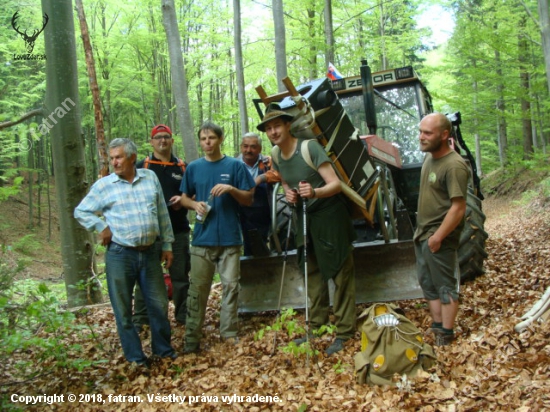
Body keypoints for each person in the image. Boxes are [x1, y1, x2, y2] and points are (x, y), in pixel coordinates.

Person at [257, 110, 356, 356]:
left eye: (277, 126)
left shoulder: (309, 148)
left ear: (288, 125)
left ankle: (345, 331)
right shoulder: (276, 154)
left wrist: (314, 192)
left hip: (330, 215)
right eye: (268, 129)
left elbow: (334, 184)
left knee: (340, 272)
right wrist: (289, 193)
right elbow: (285, 181)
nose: (273, 132)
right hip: (303, 216)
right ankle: (317, 326)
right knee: (311, 270)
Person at [74, 138, 177, 365]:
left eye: (118, 157)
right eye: (112, 158)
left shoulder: (150, 178)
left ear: (132, 157)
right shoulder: (104, 186)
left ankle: (163, 351)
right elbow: (81, 212)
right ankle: (136, 358)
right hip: (120, 255)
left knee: (159, 305)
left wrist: (167, 245)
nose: (115, 163)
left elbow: (162, 214)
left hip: (150, 252)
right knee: (123, 309)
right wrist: (102, 227)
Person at [179, 121, 255, 354]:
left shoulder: (235, 166)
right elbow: (183, 198)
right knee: (198, 290)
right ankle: (192, 338)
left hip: (230, 239)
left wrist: (231, 189)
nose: (207, 143)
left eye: (211, 138)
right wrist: (195, 204)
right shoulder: (193, 167)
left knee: (231, 288)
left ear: (220, 139)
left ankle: (228, 333)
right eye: (203, 139)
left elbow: (249, 198)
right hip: (202, 240)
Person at [414, 113, 469, 346]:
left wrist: (437, 238)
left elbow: (458, 208)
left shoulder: (454, 165)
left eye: (428, 133)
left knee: (445, 285)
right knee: (429, 284)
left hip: (439, 237)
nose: (421, 137)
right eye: (420, 131)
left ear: (444, 135)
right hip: (424, 235)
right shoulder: (429, 159)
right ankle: (438, 328)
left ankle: (446, 335)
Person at [133, 124, 191, 328]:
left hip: (179, 231)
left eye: (166, 137)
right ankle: (141, 318)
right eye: (158, 138)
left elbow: (193, 195)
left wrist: (182, 200)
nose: (162, 141)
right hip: (150, 234)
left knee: (180, 276)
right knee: (145, 278)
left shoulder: (183, 167)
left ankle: (183, 316)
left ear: (172, 140)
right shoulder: (143, 166)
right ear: (151, 142)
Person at [237, 132, 281, 256]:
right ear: (241, 147)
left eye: (253, 147)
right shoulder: (234, 164)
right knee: (247, 243)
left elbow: (281, 174)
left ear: (260, 148)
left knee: (259, 243)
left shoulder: (268, 162)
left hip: (264, 210)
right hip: (240, 211)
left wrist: (261, 178)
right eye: (245, 146)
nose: (248, 150)